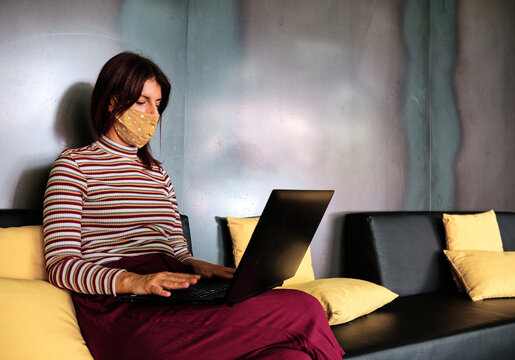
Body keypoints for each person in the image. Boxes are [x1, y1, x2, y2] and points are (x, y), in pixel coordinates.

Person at [43, 51, 344, 360]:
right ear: (111, 102)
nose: (152, 114)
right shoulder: (74, 166)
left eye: (158, 104)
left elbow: (175, 247)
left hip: (173, 294)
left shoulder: (158, 175)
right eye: (142, 102)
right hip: (123, 307)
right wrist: (136, 281)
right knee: (304, 307)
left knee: (290, 357)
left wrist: (195, 264)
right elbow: (60, 265)